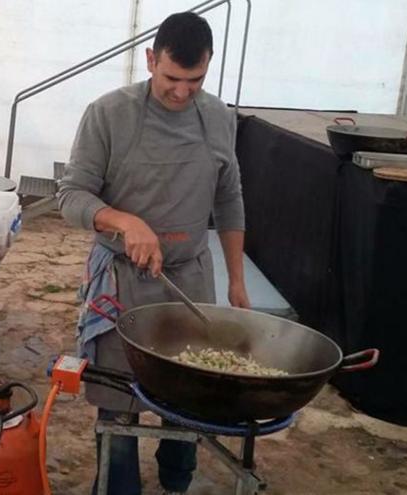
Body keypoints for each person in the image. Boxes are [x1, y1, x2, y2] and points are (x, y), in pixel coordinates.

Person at [57, 12, 250, 495]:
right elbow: (72, 196)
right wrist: (124, 221)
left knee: (190, 392)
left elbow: (229, 200)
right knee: (119, 396)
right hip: (123, 279)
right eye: (171, 78)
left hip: (190, 277)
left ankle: (177, 479)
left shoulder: (220, 119)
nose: (182, 92)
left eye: (195, 80)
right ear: (150, 59)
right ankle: (120, 486)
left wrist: (237, 280)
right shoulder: (109, 114)